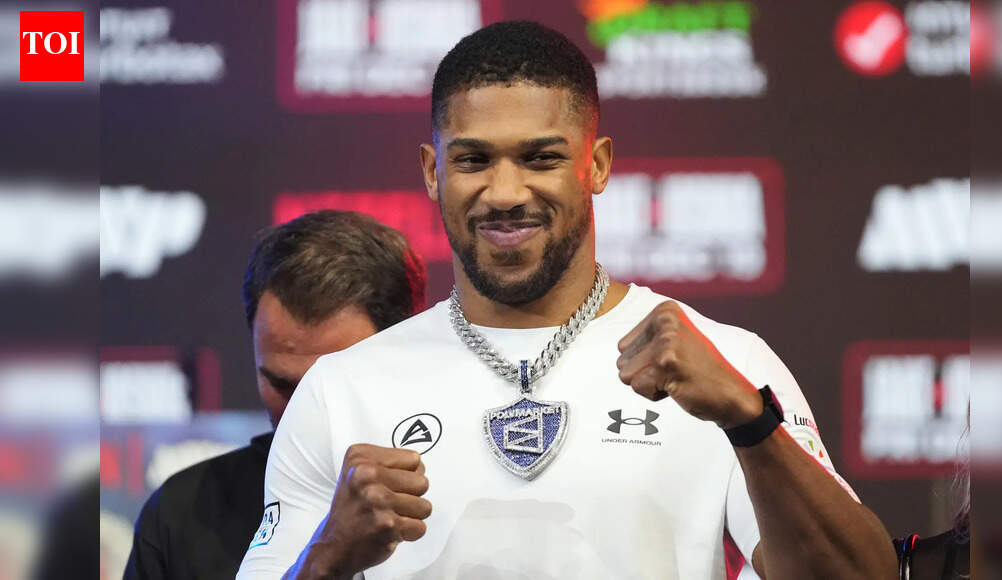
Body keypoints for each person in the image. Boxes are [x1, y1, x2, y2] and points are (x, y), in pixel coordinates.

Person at [238, 21, 896, 579]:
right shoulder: (341, 389)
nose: (504, 192)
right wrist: (327, 558)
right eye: (473, 160)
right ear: (434, 172)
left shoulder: (730, 363)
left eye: (540, 158)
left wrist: (748, 420)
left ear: (598, 165)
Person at [123, 210, 426, 580]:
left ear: (405, 352)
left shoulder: (473, 491)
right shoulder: (182, 517)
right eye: (282, 386)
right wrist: (325, 561)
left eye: (332, 387)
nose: (303, 413)